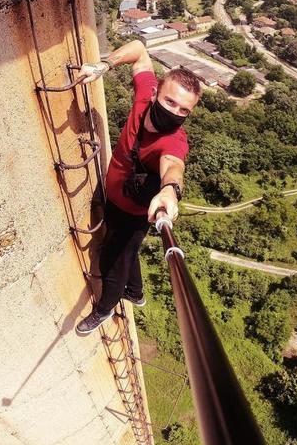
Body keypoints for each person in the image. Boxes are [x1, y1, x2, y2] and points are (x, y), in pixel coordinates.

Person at [75, 40, 202, 334]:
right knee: (128, 252)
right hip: (116, 200)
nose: (175, 112)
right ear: (157, 91)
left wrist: (171, 190)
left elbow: (173, 165)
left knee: (112, 261)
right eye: (171, 102)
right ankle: (136, 292)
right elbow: (139, 50)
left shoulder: (173, 140)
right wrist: (103, 66)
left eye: (184, 110)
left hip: (136, 213)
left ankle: (105, 309)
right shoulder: (145, 96)